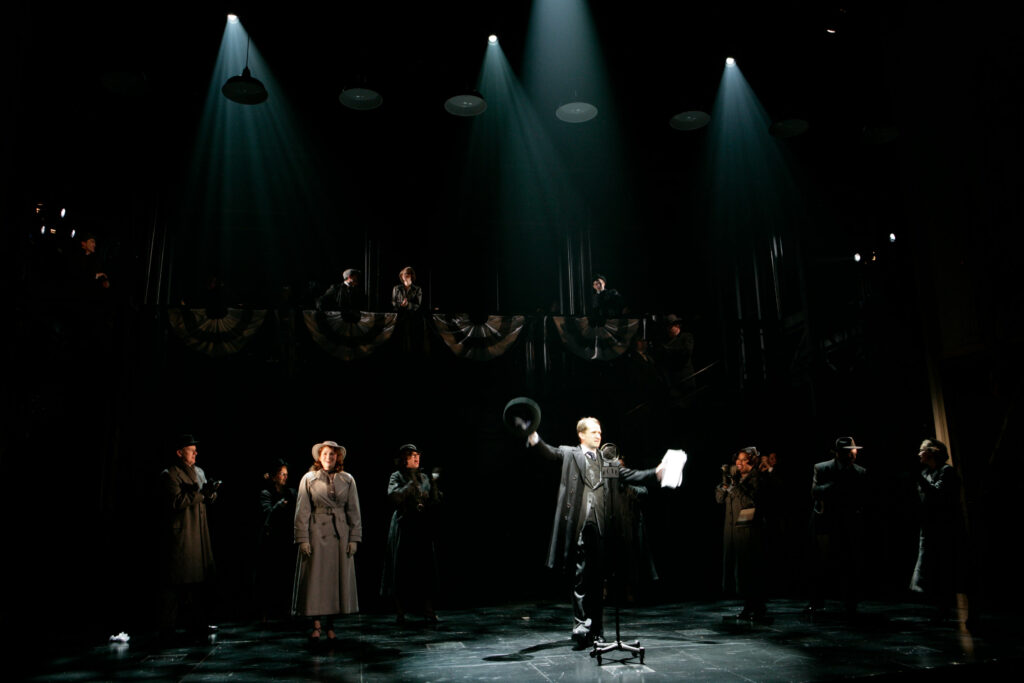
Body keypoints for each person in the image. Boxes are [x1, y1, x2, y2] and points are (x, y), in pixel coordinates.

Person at [526, 417, 663, 646]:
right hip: (579, 524)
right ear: (581, 435)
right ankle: (580, 626)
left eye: (600, 432)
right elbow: (549, 452)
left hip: (601, 526)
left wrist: (655, 472)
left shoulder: (606, 460)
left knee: (598, 581)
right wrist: (533, 437)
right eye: (593, 432)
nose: (598, 436)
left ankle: (597, 629)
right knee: (580, 578)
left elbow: (628, 475)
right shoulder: (571, 454)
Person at [293, 440, 362, 642]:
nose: (328, 458)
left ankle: (331, 625)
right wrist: (303, 539)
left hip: (339, 533)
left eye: (332, 454)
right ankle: (316, 625)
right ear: (318, 457)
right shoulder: (309, 479)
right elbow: (302, 511)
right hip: (316, 533)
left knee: (334, 582)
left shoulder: (348, 479)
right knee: (316, 581)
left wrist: (354, 538)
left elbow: (354, 511)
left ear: (337, 457)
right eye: (325, 454)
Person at [159, 434, 221, 640]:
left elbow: (205, 496)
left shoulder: (199, 471)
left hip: (199, 533)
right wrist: (200, 494)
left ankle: (198, 624)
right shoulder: (170, 474)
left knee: (198, 582)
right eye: (190, 449)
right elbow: (176, 501)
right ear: (179, 452)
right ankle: (167, 628)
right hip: (183, 533)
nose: (195, 453)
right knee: (176, 582)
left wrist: (211, 492)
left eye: (195, 449)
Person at [806, 436, 869, 615]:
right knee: (820, 563)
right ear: (839, 453)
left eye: (854, 451)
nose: (853, 455)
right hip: (825, 522)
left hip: (848, 523)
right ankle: (816, 601)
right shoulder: (822, 468)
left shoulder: (860, 472)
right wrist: (835, 485)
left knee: (849, 563)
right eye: (849, 452)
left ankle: (850, 602)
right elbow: (815, 492)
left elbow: (863, 498)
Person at [381, 444, 442, 624]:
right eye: (411, 456)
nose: (416, 458)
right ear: (404, 459)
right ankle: (401, 612)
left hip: (421, 526)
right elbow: (394, 496)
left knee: (425, 567)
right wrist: (410, 484)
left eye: (417, 455)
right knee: (401, 567)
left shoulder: (424, 476)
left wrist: (435, 487)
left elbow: (434, 498)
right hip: (404, 524)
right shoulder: (397, 476)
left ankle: (428, 610)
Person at [910, 438, 967, 622]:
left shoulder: (946, 472)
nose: (919, 454)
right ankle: (939, 606)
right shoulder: (926, 472)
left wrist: (918, 478)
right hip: (930, 527)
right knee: (933, 566)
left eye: (922, 450)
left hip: (945, 528)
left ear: (931, 452)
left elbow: (936, 495)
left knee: (946, 565)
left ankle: (946, 607)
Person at [716, 447, 768, 621]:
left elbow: (749, 501)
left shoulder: (758, 478)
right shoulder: (736, 478)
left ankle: (759, 607)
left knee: (752, 569)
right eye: (738, 459)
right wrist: (725, 485)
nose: (738, 463)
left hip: (750, 530)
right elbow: (719, 499)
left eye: (743, 459)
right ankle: (748, 606)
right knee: (741, 571)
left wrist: (735, 487)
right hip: (732, 529)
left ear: (751, 461)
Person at [256, 459, 296, 621]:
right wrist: (280, 505)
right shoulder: (266, 493)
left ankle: (285, 610)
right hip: (271, 542)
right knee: (269, 577)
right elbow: (267, 514)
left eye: (286, 474)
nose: (285, 476)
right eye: (282, 474)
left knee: (285, 576)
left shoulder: (289, 492)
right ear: (273, 476)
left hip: (286, 540)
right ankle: (266, 611)